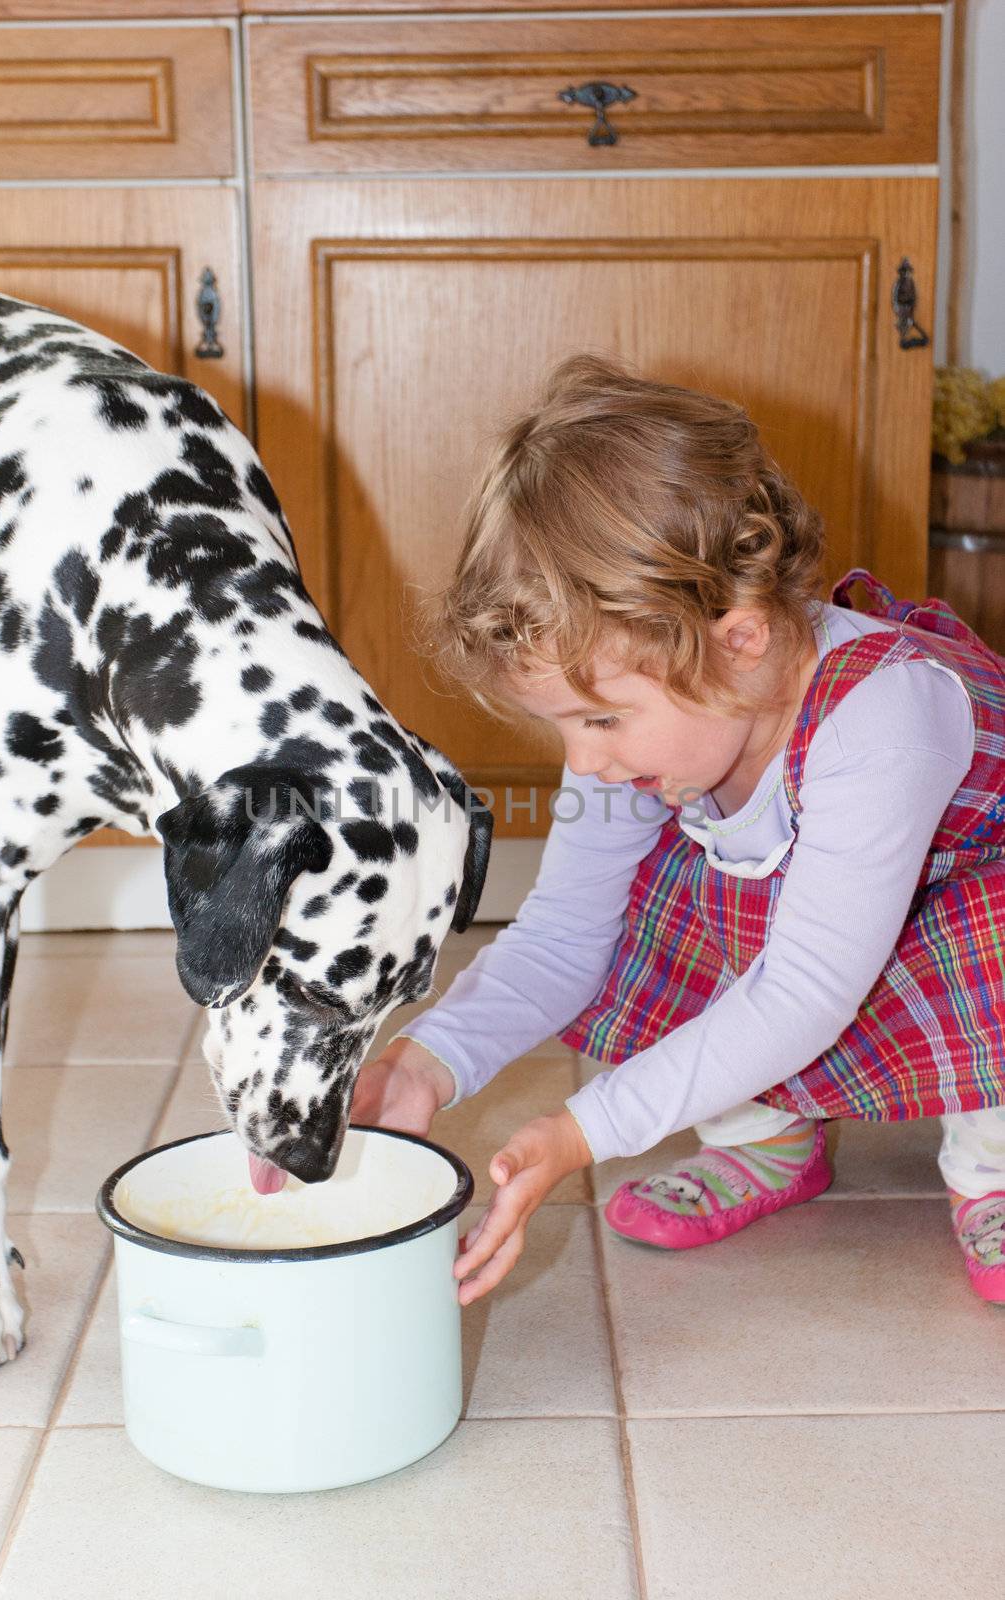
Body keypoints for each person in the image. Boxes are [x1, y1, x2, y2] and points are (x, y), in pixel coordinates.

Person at [351, 353, 1005, 1310]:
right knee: (656, 908)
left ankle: (991, 1165)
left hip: (965, 920)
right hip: (834, 940)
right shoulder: (663, 727)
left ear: (736, 639)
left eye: (601, 719)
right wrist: (427, 1062)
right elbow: (564, 936)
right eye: (565, 727)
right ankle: (764, 1137)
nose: (584, 761)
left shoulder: (885, 715)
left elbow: (806, 994)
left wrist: (586, 1130)